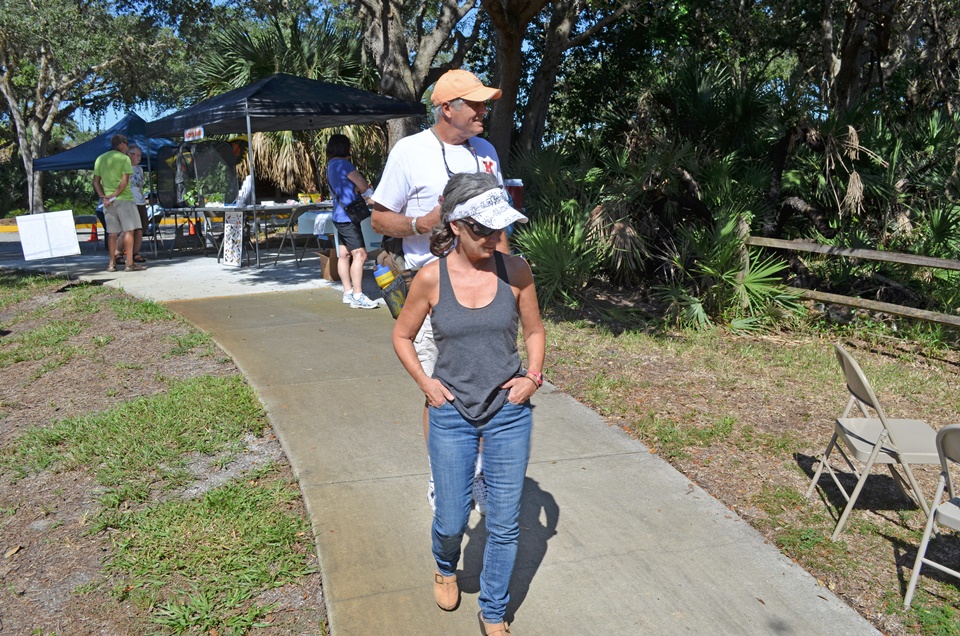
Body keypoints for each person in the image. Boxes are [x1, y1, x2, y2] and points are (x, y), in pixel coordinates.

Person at [391, 172, 545, 635]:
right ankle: (445, 566)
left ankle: (494, 612)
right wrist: (427, 385)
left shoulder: (516, 270)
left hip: (508, 413)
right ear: (456, 226)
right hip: (452, 414)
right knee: (452, 518)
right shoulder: (430, 279)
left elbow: (534, 330)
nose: (494, 238)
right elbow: (401, 335)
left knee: (504, 522)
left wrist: (532, 377)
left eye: (499, 229)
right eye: (483, 230)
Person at [372, 68, 504, 512]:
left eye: (484, 104)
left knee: (486, 388)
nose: (483, 111)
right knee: (441, 392)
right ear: (447, 108)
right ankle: (443, 477)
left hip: (485, 286)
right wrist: (420, 223)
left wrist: (509, 275)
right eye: (476, 104)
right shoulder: (409, 151)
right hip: (430, 288)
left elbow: (499, 220)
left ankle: (478, 474)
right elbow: (379, 218)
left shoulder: (486, 152)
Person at [326, 134, 378, 309]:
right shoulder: (344, 164)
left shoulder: (331, 165)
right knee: (360, 255)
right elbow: (363, 185)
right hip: (348, 217)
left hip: (338, 215)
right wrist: (359, 187)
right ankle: (358, 294)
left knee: (344, 255)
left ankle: (348, 292)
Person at [93, 134, 145, 272]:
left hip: (108, 203)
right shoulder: (124, 158)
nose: (127, 147)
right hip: (125, 199)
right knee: (129, 231)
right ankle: (129, 263)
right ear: (121, 144)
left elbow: (96, 182)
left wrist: (103, 197)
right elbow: (124, 181)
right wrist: (114, 195)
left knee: (112, 233)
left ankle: (111, 264)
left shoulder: (100, 158)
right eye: (126, 144)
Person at [126, 143, 149, 263]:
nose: (139, 157)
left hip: (140, 200)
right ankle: (119, 252)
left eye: (140, 155)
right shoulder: (125, 167)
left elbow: (140, 184)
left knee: (141, 227)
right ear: (130, 155)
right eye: (137, 155)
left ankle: (136, 252)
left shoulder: (140, 169)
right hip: (129, 201)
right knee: (130, 228)